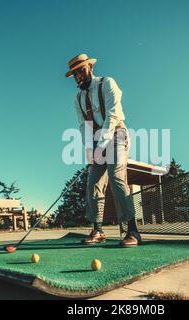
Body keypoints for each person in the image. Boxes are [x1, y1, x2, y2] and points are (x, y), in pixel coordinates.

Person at [65, 53, 141, 247]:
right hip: (96, 141)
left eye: (81, 71)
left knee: (116, 177)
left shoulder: (107, 83)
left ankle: (132, 230)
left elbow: (113, 115)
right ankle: (98, 230)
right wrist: (90, 150)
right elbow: (84, 126)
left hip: (117, 134)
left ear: (89, 68)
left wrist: (101, 145)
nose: (79, 77)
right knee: (93, 182)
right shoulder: (78, 98)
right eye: (75, 74)